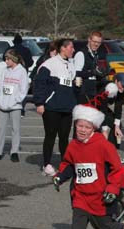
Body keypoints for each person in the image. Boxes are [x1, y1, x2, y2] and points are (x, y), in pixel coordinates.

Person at [52, 104, 124, 229]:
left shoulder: (103, 145)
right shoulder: (73, 145)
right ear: (75, 125)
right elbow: (68, 164)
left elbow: (117, 168)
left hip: (99, 197)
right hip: (80, 196)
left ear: (93, 128)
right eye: (79, 125)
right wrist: (59, 177)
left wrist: (112, 189)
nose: (82, 130)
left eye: (87, 127)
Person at [33, 39, 78, 176]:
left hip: (67, 108)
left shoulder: (71, 65)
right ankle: (46, 164)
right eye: (71, 47)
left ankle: (64, 165)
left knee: (64, 138)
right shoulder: (49, 64)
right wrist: (39, 103)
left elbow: (69, 86)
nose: (73, 50)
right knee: (50, 136)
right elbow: (39, 84)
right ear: (63, 48)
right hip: (51, 107)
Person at [0, 49, 29, 162]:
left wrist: (16, 101)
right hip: (3, 105)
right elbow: (0, 87)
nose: (6, 61)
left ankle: (14, 152)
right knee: (0, 129)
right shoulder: (4, 71)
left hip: (15, 106)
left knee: (15, 129)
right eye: (5, 59)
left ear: (14, 59)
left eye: (8, 59)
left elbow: (23, 89)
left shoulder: (22, 71)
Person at [3, 34, 33, 118]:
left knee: (9, 90)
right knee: (22, 91)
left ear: (14, 41)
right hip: (23, 73)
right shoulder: (26, 50)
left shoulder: (9, 49)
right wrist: (25, 65)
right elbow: (30, 62)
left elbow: (3, 58)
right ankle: (21, 110)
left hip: (10, 73)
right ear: (21, 42)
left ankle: (9, 108)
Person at [74, 31, 105, 104]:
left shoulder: (95, 54)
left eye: (99, 42)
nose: (96, 44)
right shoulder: (81, 54)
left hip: (92, 91)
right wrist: (92, 72)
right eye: (94, 41)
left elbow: (94, 74)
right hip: (83, 93)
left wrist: (101, 74)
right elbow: (76, 73)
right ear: (89, 40)